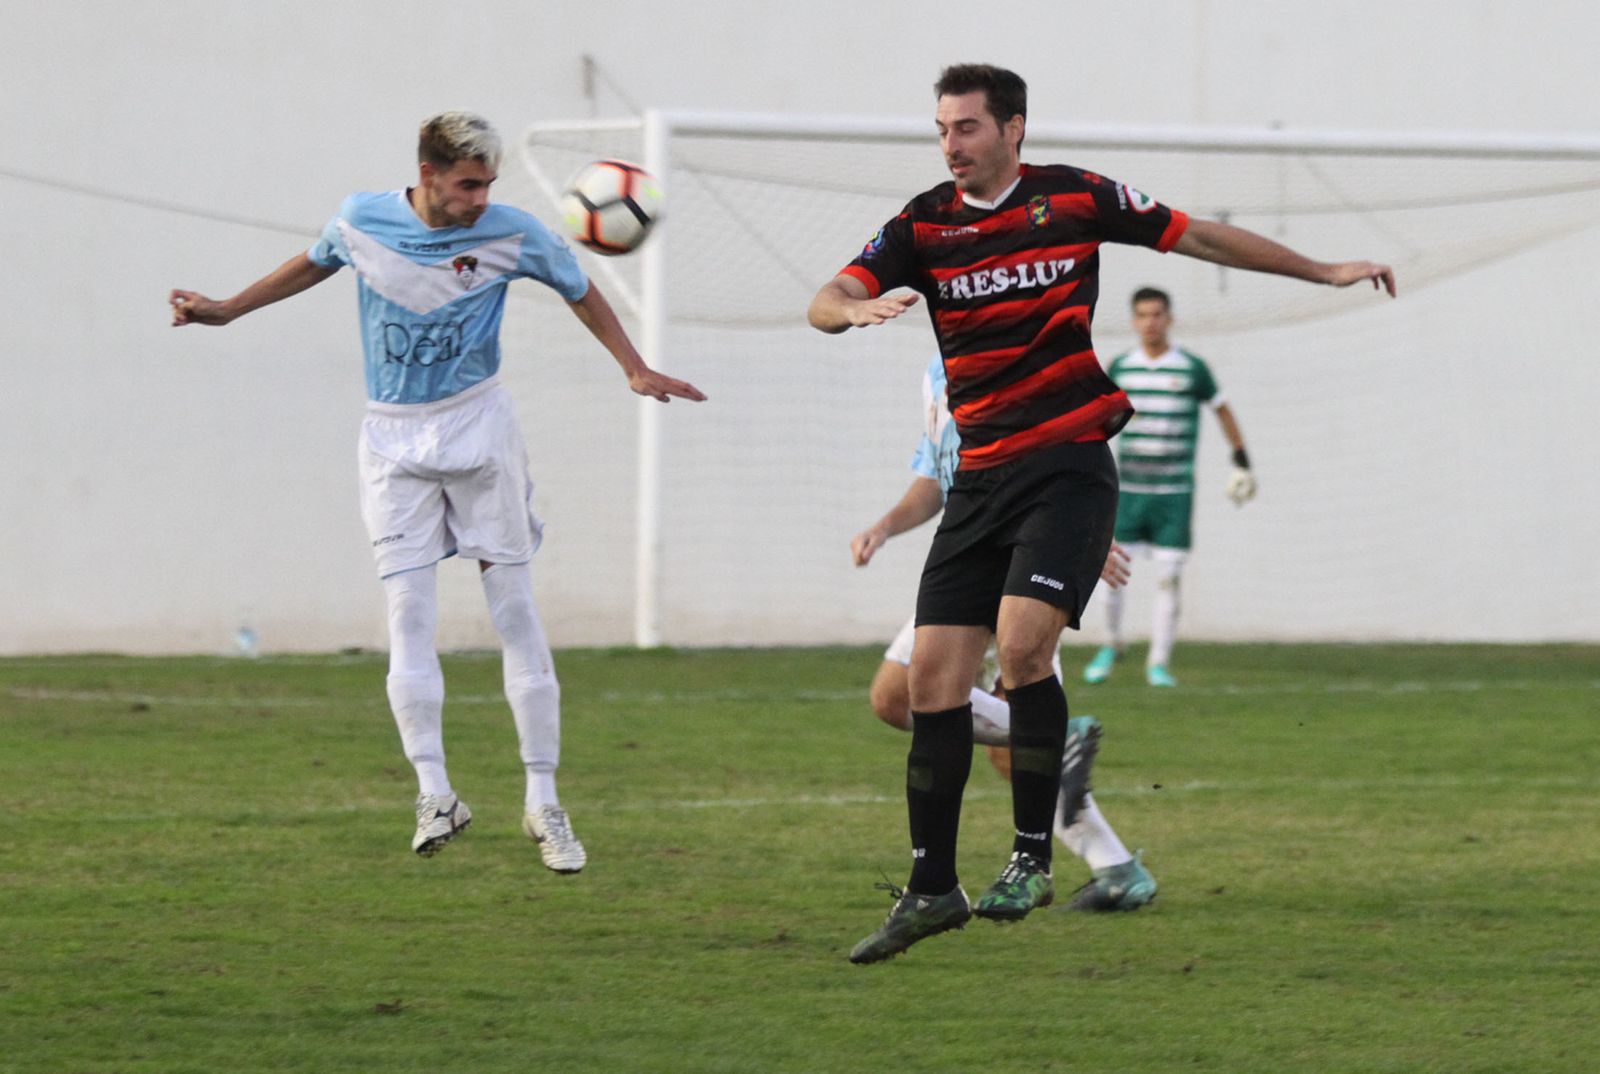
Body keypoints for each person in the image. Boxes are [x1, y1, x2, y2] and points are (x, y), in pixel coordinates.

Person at [807, 64, 1394, 963]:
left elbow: (1199, 236)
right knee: (928, 686)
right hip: (979, 483)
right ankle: (931, 889)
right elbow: (824, 299)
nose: (951, 146)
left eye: (967, 128)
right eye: (942, 130)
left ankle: (1031, 860)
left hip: (1067, 468)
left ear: (1014, 128)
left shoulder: (1075, 198)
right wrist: (852, 311)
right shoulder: (921, 224)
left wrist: (1322, 270)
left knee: (1023, 650)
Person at [171, 111, 706, 871]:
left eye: (488, 184)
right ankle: (436, 793)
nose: (481, 198)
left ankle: (544, 802)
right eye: (468, 184)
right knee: (408, 614)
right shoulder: (363, 219)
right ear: (428, 175)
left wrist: (634, 366)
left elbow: (581, 289)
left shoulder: (512, 233)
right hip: (392, 440)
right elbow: (316, 261)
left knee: (513, 609)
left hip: (479, 427)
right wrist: (227, 308)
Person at [853, 354, 1158, 913]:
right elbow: (934, 477)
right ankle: (1116, 865)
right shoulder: (936, 373)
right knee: (911, 704)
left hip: (1019, 559)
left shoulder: (1015, 354)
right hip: (969, 553)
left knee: (925, 701)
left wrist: (1079, 535)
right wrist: (884, 527)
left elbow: (1068, 456)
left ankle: (1105, 855)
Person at [1083, 287, 1254, 688]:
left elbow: (1222, 408)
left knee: (1169, 577)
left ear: (1169, 318)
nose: (1151, 322)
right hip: (1128, 492)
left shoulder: (1191, 368)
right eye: (1143, 315)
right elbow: (1097, 416)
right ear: (1134, 321)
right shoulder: (1122, 367)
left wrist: (1240, 457)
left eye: (1157, 314)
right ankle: (1111, 643)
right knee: (1110, 573)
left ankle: (1158, 662)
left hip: (1174, 493)